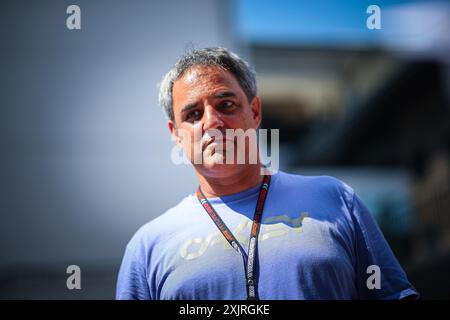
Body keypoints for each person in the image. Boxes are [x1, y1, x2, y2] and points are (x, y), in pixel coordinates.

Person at [116, 47, 418, 300]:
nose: (212, 122)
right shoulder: (147, 247)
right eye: (193, 114)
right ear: (176, 134)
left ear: (255, 111)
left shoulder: (336, 200)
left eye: (226, 105)